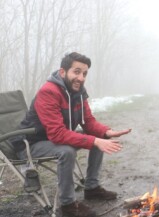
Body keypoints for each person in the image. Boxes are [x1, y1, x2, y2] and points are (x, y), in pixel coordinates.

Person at [12, 52, 131, 217]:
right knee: (67, 151)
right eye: (76, 72)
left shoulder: (79, 92)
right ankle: (68, 205)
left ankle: (92, 188)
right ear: (62, 72)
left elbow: (88, 122)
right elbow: (57, 133)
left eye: (84, 74)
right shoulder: (48, 92)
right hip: (29, 144)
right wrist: (93, 140)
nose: (81, 78)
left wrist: (106, 131)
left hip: (54, 138)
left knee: (100, 138)